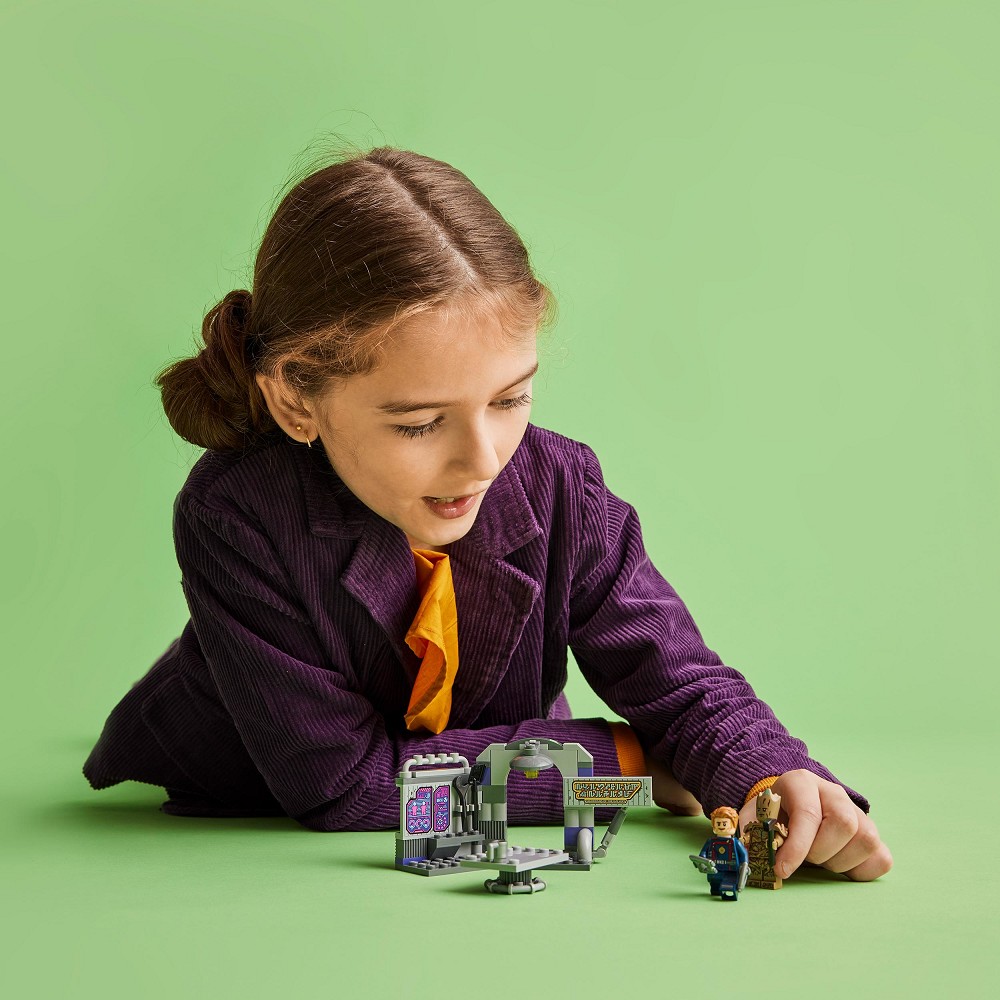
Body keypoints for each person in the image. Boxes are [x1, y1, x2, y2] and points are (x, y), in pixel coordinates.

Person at [83, 145, 891, 883]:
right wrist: (625, 756)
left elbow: (678, 681)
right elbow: (344, 786)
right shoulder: (236, 512)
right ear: (295, 400)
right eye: (418, 423)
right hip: (245, 788)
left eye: (510, 400)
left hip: (505, 767)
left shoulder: (560, 484)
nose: (482, 461)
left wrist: (766, 769)